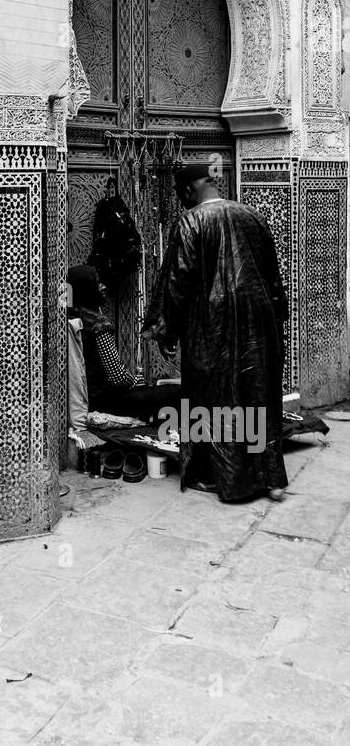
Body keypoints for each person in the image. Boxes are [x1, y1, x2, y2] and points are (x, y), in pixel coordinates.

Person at [141, 161, 288, 502]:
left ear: (190, 190)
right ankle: (270, 478)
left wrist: (166, 332)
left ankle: (228, 481)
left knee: (215, 399)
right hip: (259, 324)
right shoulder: (253, 215)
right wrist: (276, 319)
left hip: (212, 327)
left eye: (181, 194)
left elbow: (177, 282)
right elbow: (273, 274)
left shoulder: (191, 222)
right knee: (257, 395)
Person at [66, 264, 181, 424]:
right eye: (97, 282)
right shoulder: (97, 325)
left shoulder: (71, 318)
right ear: (87, 287)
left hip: (84, 398)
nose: (103, 287)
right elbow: (117, 377)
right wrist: (137, 382)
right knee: (176, 393)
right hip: (106, 401)